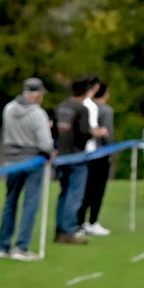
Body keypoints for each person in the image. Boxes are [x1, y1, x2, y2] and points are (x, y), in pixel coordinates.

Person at [0, 78, 52, 260]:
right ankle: (22, 246)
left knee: (10, 202)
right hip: (32, 160)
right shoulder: (38, 114)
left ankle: (3, 246)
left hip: (11, 160)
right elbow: (45, 143)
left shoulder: (9, 108)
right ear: (37, 95)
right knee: (30, 203)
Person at [52, 77, 92, 244]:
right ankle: (69, 230)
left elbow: (54, 129)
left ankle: (60, 228)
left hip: (61, 154)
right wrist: (93, 134)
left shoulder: (61, 106)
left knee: (63, 192)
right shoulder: (81, 109)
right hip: (76, 155)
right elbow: (84, 133)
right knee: (75, 194)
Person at [79, 79, 114, 237]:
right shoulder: (105, 110)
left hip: (85, 153)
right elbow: (108, 134)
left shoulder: (85, 106)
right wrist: (110, 151)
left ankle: (80, 220)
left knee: (85, 188)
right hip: (99, 153)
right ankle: (92, 221)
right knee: (97, 189)